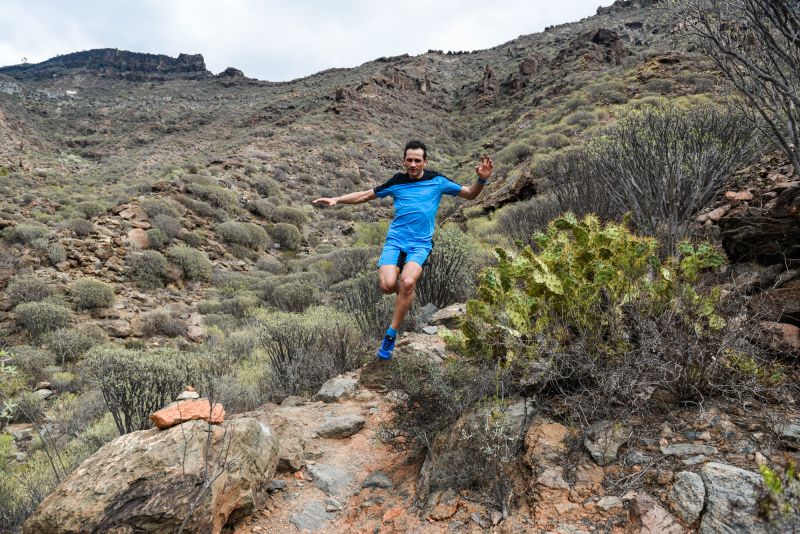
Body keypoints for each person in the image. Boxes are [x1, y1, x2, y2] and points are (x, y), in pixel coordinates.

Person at [313, 140, 493, 360]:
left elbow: (470, 194)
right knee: (387, 286)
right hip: (396, 242)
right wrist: (337, 199)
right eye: (409, 160)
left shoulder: (437, 181)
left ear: (425, 162)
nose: (413, 164)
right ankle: (407, 295)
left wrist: (481, 179)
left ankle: (390, 334)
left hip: (420, 244)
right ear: (404, 161)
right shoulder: (397, 182)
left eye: (417, 160)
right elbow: (365, 195)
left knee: (407, 282)